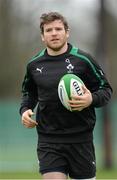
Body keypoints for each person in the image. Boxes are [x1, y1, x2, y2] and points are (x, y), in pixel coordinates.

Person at [19, 12, 113, 180]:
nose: (54, 33)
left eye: (58, 29)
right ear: (42, 36)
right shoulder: (34, 65)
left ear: (67, 32)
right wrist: (25, 109)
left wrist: (90, 98)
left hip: (81, 139)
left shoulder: (83, 60)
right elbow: (29, 92)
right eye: (48, 30)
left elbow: (106, 90)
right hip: (49, 140)